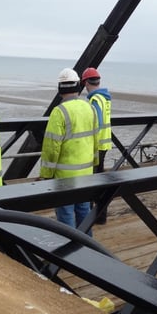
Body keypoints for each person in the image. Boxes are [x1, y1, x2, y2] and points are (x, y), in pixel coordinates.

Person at [40, 68, 99, 234]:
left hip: (64, 177)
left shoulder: (59, 112)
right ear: (78, 86)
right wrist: (94, 164)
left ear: (60, 88)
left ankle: (69, 254)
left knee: (66, 216)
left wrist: (47, 174)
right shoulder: (90, 108)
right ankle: (89, 249)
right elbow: (95, 139)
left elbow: (51, 148)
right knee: (84, 212)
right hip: (86, 174)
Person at [82, 67, 112, 224]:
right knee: (99, 179)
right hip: (104, 144)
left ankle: (94, 216)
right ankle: (100, 216)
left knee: (93, 182)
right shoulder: (104, 97)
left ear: (87, 82)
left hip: (96, 145)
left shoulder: (95, 99)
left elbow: (98, 123)